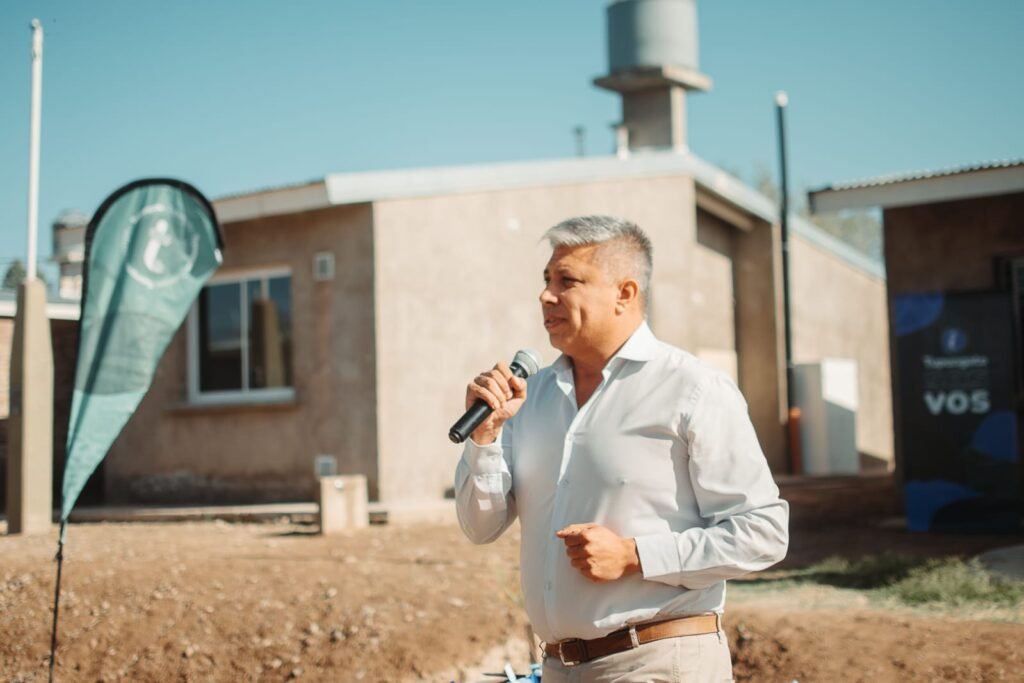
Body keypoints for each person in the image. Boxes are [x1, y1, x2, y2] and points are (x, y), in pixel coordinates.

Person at [454, 215, 789, 682]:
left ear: (624, 294)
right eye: (546, 280)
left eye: (567, 281)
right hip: (559, 667)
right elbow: (480, 527)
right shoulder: (530, 399)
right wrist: (485, 437)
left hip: (658, 661)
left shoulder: (692, 389)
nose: (545, 295)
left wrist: (636, 556)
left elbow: (763, 533)